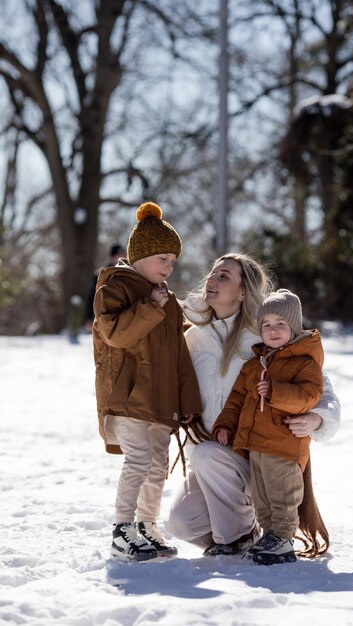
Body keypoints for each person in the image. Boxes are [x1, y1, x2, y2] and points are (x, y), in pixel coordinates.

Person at [165, 253, 340, 557]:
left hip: (259, 456)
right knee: (181, 523)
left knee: (208, 456)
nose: (212, 280)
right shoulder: (191, 338)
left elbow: (319, 386)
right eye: (212, 273)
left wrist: (317, 419)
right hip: (213, 461)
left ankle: (234, 539)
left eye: (224, 276)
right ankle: (243, 533)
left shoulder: (263, 337)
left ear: (243, 291)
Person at [93, 201, 201, 562]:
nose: (169, 267)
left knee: (157, 466)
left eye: (173, 261)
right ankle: (122, 529)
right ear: (140, 256)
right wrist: (151, 307)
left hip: (161, 401)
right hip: (128, 397)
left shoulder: (168, 300)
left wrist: (186, 402)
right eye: (163, 259)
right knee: (138, 461)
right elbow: (116, 335)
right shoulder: (115, 287)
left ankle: (146, 525)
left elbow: (179, 356)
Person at [212, 289, 324, 565]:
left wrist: (275, 390)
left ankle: (284, 538)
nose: (273, 330)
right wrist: (225, 424)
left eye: (280, 324)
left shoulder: (304, 362)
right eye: (267, 325)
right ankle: (269, 534)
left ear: (294, 327)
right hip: (256, 444)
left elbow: (308, 396)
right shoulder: (254, 365)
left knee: (283, 492)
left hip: (284, 444)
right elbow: (236, 399)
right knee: (261, 494)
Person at [84, 244, 126, 332]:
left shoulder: (128, 273)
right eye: (118, 256)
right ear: (112, 257)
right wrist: (89, 318)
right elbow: (93, 297)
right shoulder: (101, 274)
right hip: (103, 316)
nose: (122, 258)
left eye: (123, 255)